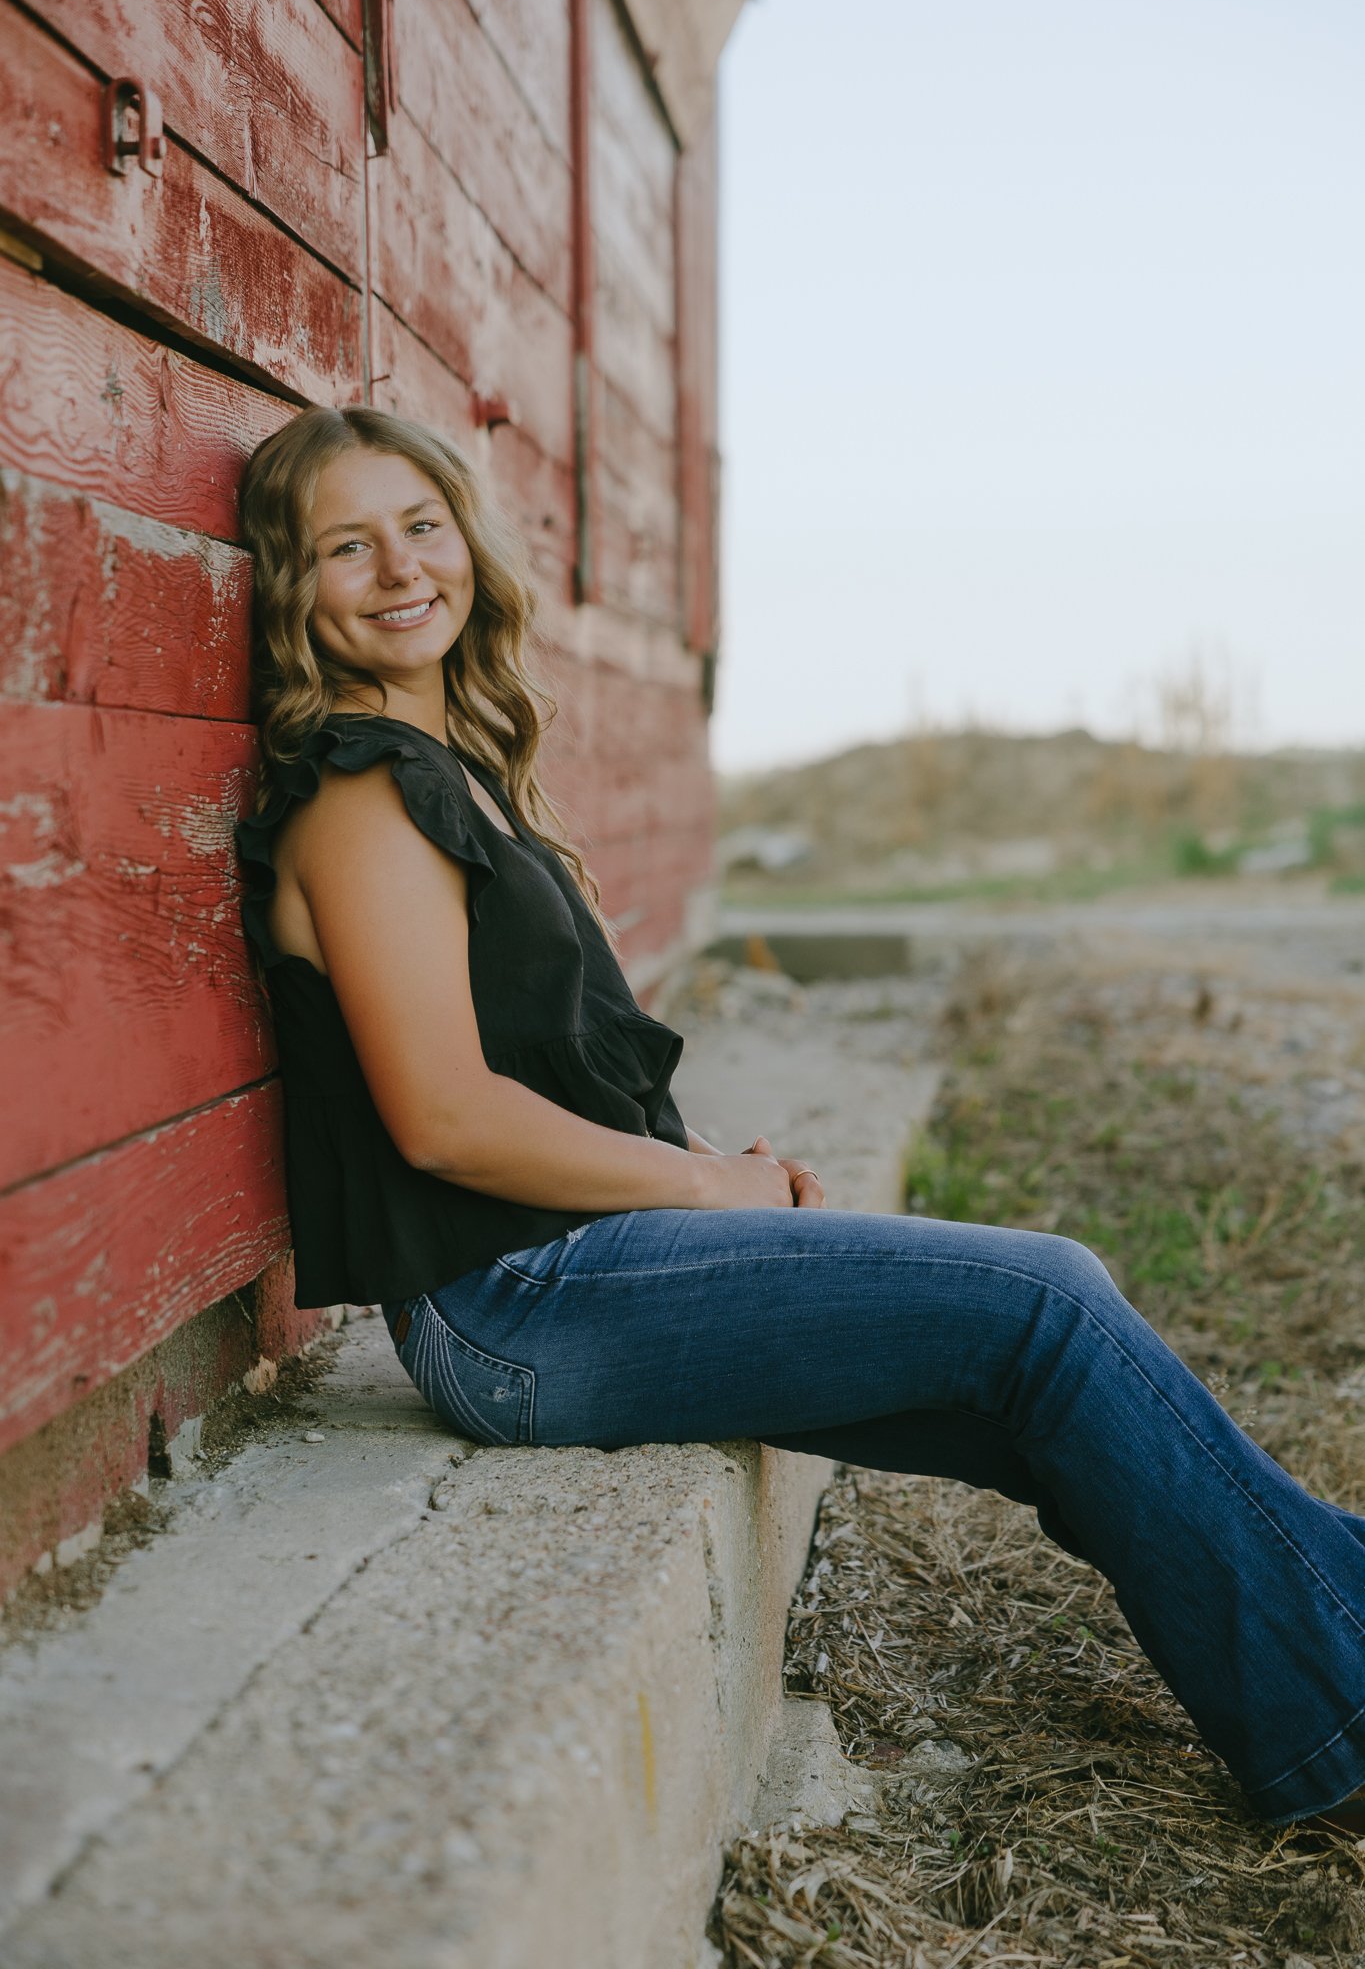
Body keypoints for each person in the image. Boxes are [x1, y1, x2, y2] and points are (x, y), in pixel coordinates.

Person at [233, 404, 1365, 1837]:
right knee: (1043, 1301)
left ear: (467, 542)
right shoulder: (359, 798)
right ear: (293, 584)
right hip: (511, 1304)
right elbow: (449, 1124)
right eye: (346, 545)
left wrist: (707, 1179)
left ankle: (1342, 1632)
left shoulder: (449, 771)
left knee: (1034, 1394)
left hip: (575, 1261)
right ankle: (1337, 1726)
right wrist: (710, 1185)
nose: (398, 568)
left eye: (420, 525)